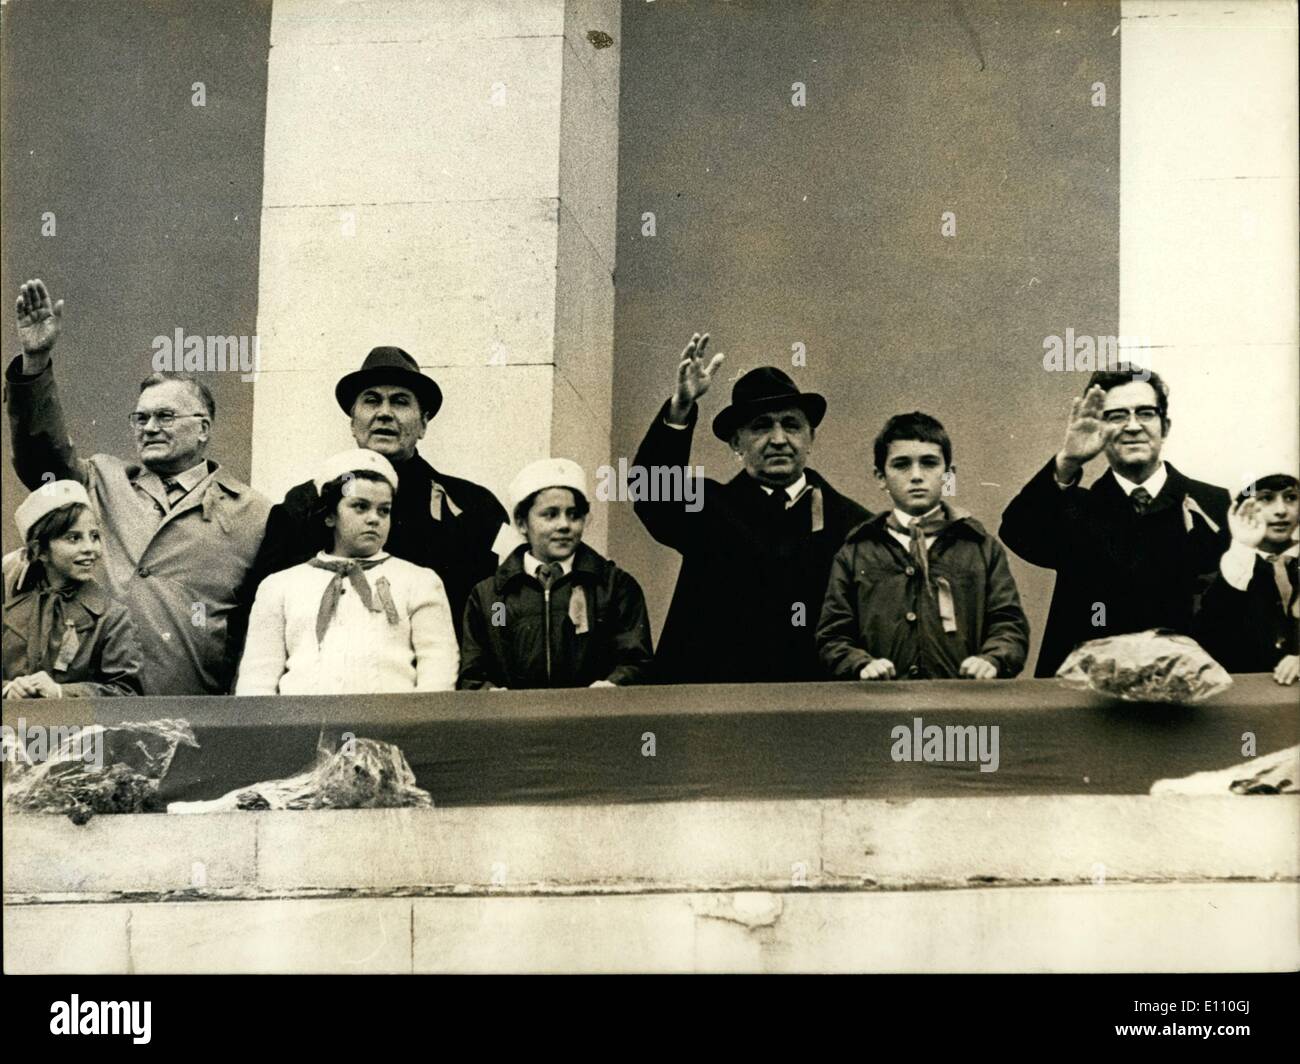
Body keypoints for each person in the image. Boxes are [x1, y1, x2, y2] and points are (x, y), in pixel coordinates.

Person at [4, 279, 269, 695]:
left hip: (192, 707)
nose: (149, 428)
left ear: (203, 429)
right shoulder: (102, 480)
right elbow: (42, 461)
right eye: (140, 418)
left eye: (165, 416)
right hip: (92, 701)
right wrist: (35, 362)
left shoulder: (254, 513)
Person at [632, 333, 871, 683]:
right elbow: (650, 490)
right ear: (736, 442)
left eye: (791, 425)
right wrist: (681, 407)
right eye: (761, 426)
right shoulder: (707, 509)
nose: (778, 439)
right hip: (716, 710)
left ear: (810, 439)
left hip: (815, 708)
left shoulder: (852, 525)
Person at [239, 346, 506, 649]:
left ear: (424, 423)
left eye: (400, 402)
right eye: (371, 400)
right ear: (353, 421)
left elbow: (501, 607)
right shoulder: (306, 503)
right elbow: (262, 612)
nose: (384, 413)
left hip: (436, 683)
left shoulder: (472, 507)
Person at [999, 366, 1230, 677]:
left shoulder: (1216, 505)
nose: (1132, 426)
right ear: (1099, 428)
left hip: (1188, 699)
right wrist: (1068, 460)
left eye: (1145, 413)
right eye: (1117, 416)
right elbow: (1018, 532)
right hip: (1088, 699)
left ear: (1165, 426)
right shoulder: (1075, 508)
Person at [817, 412, 1029, 680]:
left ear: (948, 475)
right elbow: (832, 636)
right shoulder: (856, 552)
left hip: (963, 703)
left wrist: (993, 659)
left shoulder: (981, 548)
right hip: (880, 704)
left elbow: (1009, 625)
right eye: (901, 465)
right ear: (881, 477)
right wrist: (860, 664)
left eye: (929, 463)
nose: (916, 476)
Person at [235, 450, 459, 695]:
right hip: (302, 727)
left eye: (384, 510)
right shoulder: (279, 587)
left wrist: (416, 728)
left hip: (390, 727)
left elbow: (438, 666)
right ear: (330, 515)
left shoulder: (419, 581)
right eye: (360, 507)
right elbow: (258, 676)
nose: (374, 519)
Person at [459, 458, 653, 690]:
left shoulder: (614, 587)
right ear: (522, 523)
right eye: (550, 514)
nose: (564, 525)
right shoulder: (492, 598)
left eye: (574, 515)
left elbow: (636, 662)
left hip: (591, 718)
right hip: (515, 722)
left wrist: (610, 687)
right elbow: (474, 673)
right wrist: (492, 695)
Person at [2, 480, 143, 698]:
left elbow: (128, 692)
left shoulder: (111, 617)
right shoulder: (8, 606)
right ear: (40, 551)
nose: (90, 548)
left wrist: (61, 693)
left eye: (94, 536)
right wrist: (9, 690)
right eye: (73, 538)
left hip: (81, 730)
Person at [1195, 470, 1299, 684]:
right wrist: (1242, 547)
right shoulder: (1226, 568)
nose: (1281, 511)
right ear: (1243, 509)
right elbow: (1210, 636)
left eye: (1291, 497)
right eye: (1266, 498)